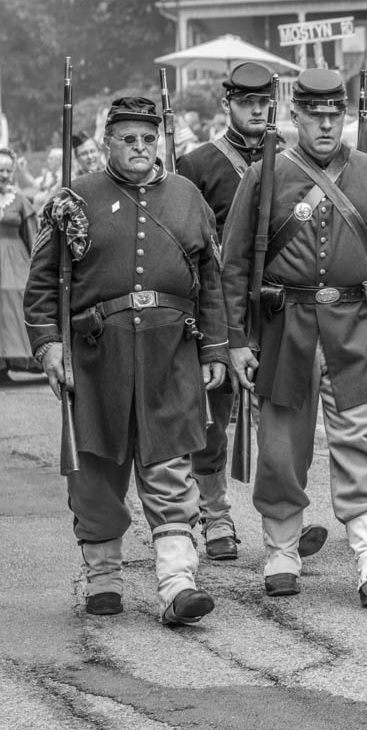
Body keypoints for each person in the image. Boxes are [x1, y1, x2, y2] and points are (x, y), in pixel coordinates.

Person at [221, 68, 367, 607]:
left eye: (335, 115)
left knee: (363, 443)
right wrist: (236, 339)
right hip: (285, 327)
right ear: (297, 117)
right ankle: (283, 549)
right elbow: (235, 264)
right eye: (315, 115)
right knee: (282, 448)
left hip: (358, 328)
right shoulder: (264, 176)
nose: (327, 125)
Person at [25, 97, 228, 624]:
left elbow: (211, 283)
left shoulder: (187, 197)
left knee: (169, 468)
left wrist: (214, 347)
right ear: (107, 142)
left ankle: (178, 582)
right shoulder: (76, 197)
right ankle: (103, 576)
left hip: (171, 353)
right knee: (95, 470)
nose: (140, 148)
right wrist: (49, 346)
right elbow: (43, 283)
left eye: (147, 139)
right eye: (128, 139)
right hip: (96, 356)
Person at [177, 63, 329, 564]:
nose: (258, 109)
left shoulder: (295, 162)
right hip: (218, 307)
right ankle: (216, 515)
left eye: (265, 101)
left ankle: (286, 519)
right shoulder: (197, 164)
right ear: (229, 104)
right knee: (213, 417)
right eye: (247, 102)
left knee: (284, 422)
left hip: (280, 307)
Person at [0, 148, 39, 382]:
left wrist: (37, 266)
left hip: (16, 261)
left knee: (14, 305)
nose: (3, 175)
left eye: (7, 170)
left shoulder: (20, 199)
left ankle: (12, 359)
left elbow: (32, 236)